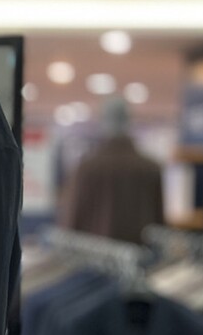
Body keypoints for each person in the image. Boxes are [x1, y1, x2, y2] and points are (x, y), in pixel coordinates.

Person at [58, 95, 164, 244]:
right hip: (140, 254)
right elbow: (159, 225)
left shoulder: (86, 169)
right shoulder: (150, 168)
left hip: (94, 255)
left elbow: (71, 223)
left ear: (103, 120)